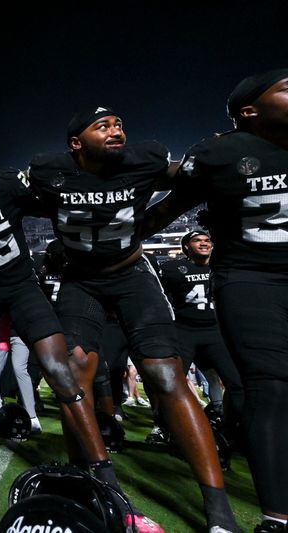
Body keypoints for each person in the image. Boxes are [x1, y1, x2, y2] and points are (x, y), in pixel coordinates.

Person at [27, 108, 238, 532]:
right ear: (75, 143)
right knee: (74, 373)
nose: (115, 130)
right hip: (80, 281)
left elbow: (189, 177)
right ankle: (87, 475)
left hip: (132, 274)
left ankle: (218, 509)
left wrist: (228, 149)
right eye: (102, 125)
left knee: (165, 375)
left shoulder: (145, 162)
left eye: (119, 124)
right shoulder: (50, 174)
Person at [0, 140, 154, 526]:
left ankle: (106, 478)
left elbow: (55, 204)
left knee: (59, 371)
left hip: (21, 286)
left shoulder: (6, 185)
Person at [144, 68, 288, 532]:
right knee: (271, 388)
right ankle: (277, 517)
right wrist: (110, 247)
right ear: (250, 110)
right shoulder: (220, 153)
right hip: (253, 280)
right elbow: (166, 209)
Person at [159, 230, 243, 439]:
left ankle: (232, 428)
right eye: (197, 240)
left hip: (215, 331)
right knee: (173, 383)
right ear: (186, 246)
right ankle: (166, 428)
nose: (204, 243)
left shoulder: (223, 266)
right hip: (184, 331)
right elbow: (160, 299)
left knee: (237, 383)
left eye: (207, 240)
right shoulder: (172, 269)